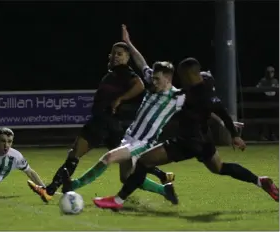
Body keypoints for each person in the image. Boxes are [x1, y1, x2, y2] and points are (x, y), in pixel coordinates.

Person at [92, 57, 279, 209]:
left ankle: (117, 201)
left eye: (182, 74)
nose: (179, 77)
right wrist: (234, 134)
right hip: (205, 141)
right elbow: (220, 109)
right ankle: (259, 181)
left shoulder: (188, 94)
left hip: (187, 141)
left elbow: (185, 98)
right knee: (220, 168)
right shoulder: (206, 89)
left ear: (190, 74)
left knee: (144, 161)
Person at [27, 42, 174, 203]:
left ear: (127, 58)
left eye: (120, 54)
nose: (116, 57)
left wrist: (120, 99)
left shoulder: (124, 72)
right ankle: (163, 182)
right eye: (114, 53)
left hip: (103, 122)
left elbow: (139, 85)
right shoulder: (114, 74)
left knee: (75, 154)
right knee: (126, 173)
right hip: (112, 125)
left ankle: (50, 190)